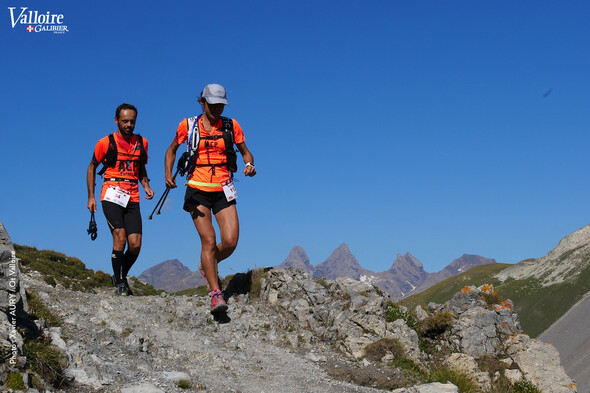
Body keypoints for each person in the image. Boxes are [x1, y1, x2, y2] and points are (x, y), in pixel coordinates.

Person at [165, 84, 256, 313]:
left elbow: (246, 152)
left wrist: (249, 164)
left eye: (220, 105)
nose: (217, 109)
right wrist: (168, 175)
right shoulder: (188, 125)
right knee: (208, 238)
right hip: (197, 188)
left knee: (231, 241)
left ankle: (207, 265)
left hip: (224, 187)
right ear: (202, 102)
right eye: (212, 105)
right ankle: (216, 294)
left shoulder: (231, 125)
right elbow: (171, 150)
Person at [87, 103, 154, 296]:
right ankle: (120, 283)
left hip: (132, 196)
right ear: (116, 120)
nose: (129, 125)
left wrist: (146, 185)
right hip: (111, 194)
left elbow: (141, 167)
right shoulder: (105, 143)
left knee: (135, 244)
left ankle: (120, 274)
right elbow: (91, 167)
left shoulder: (142, 143)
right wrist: (91, 197)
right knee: (120, 237)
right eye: (125, 121)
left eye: (132, 121)